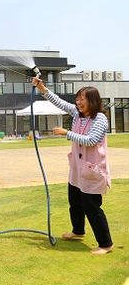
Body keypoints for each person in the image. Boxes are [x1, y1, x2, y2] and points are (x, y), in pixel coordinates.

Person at [33, 77, 113, 255]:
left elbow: (91, 140)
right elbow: (59, 102)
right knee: (75, 202)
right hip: (77, 169)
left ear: (92, 101)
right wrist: (42, 88)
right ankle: (78, 231)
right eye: (77, 99)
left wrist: (66, 133)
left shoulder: (100, 118)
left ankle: (106, 244)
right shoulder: (77, 114)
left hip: (92, 170)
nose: (78, 103)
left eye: (82, 100)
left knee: (91, 207)